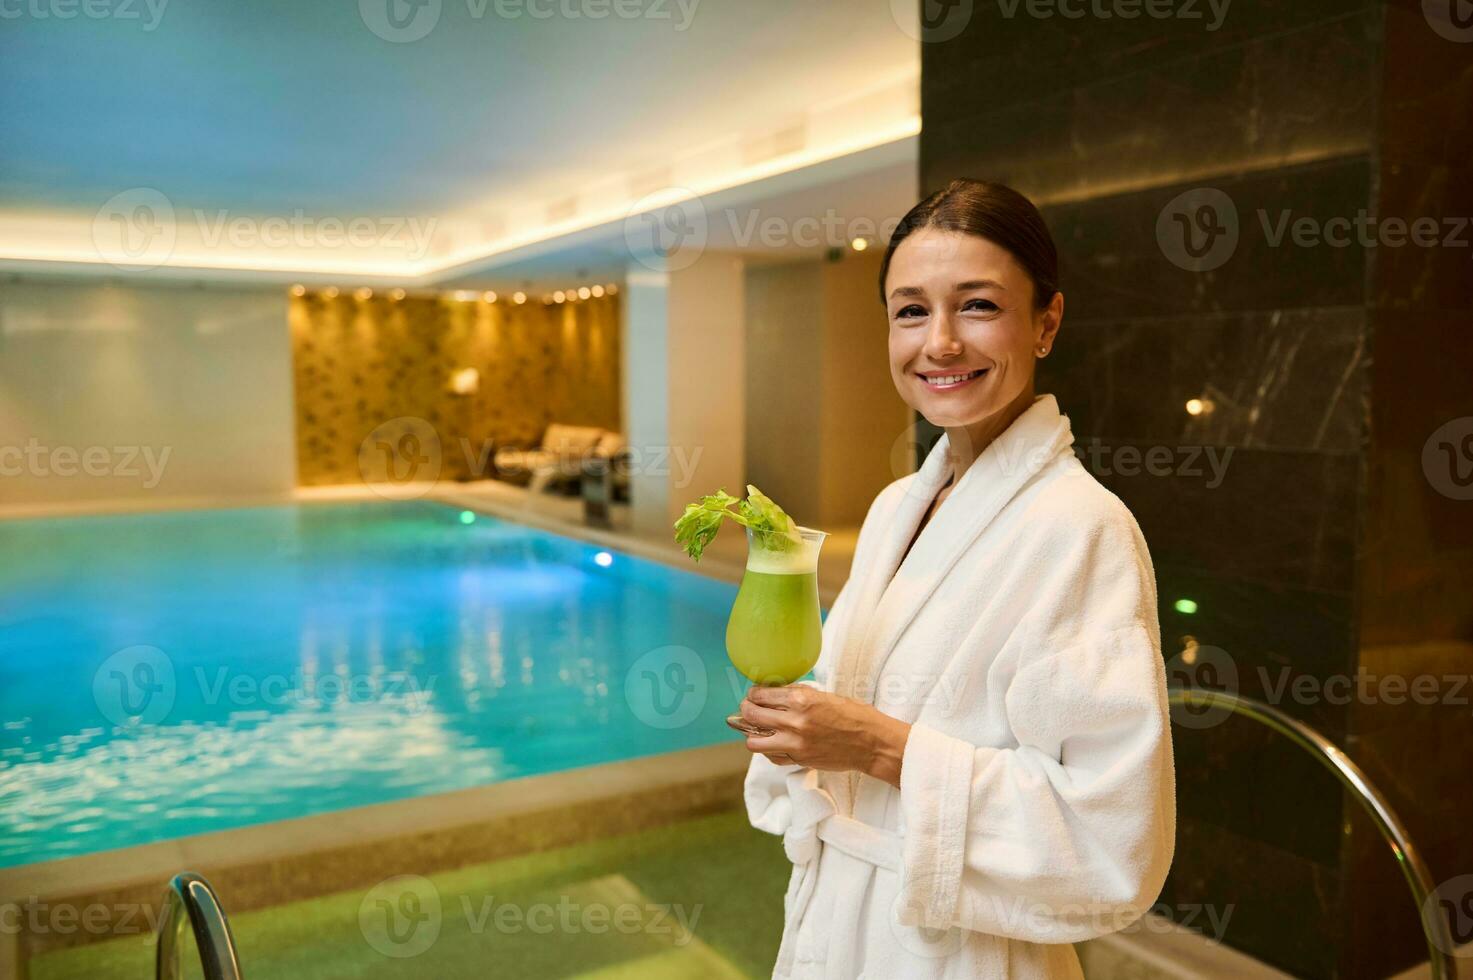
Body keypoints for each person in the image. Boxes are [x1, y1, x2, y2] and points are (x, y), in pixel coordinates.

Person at [739, 178, 1176, 979]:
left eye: (977, 305)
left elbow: (1112, 837)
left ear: (1046, 322)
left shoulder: (1081, 528)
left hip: (962, 952)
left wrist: (876, 747)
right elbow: (851, 700)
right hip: (841, 925)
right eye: (910, 311)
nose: (938, 343)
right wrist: (802, 733)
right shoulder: (893, 508)